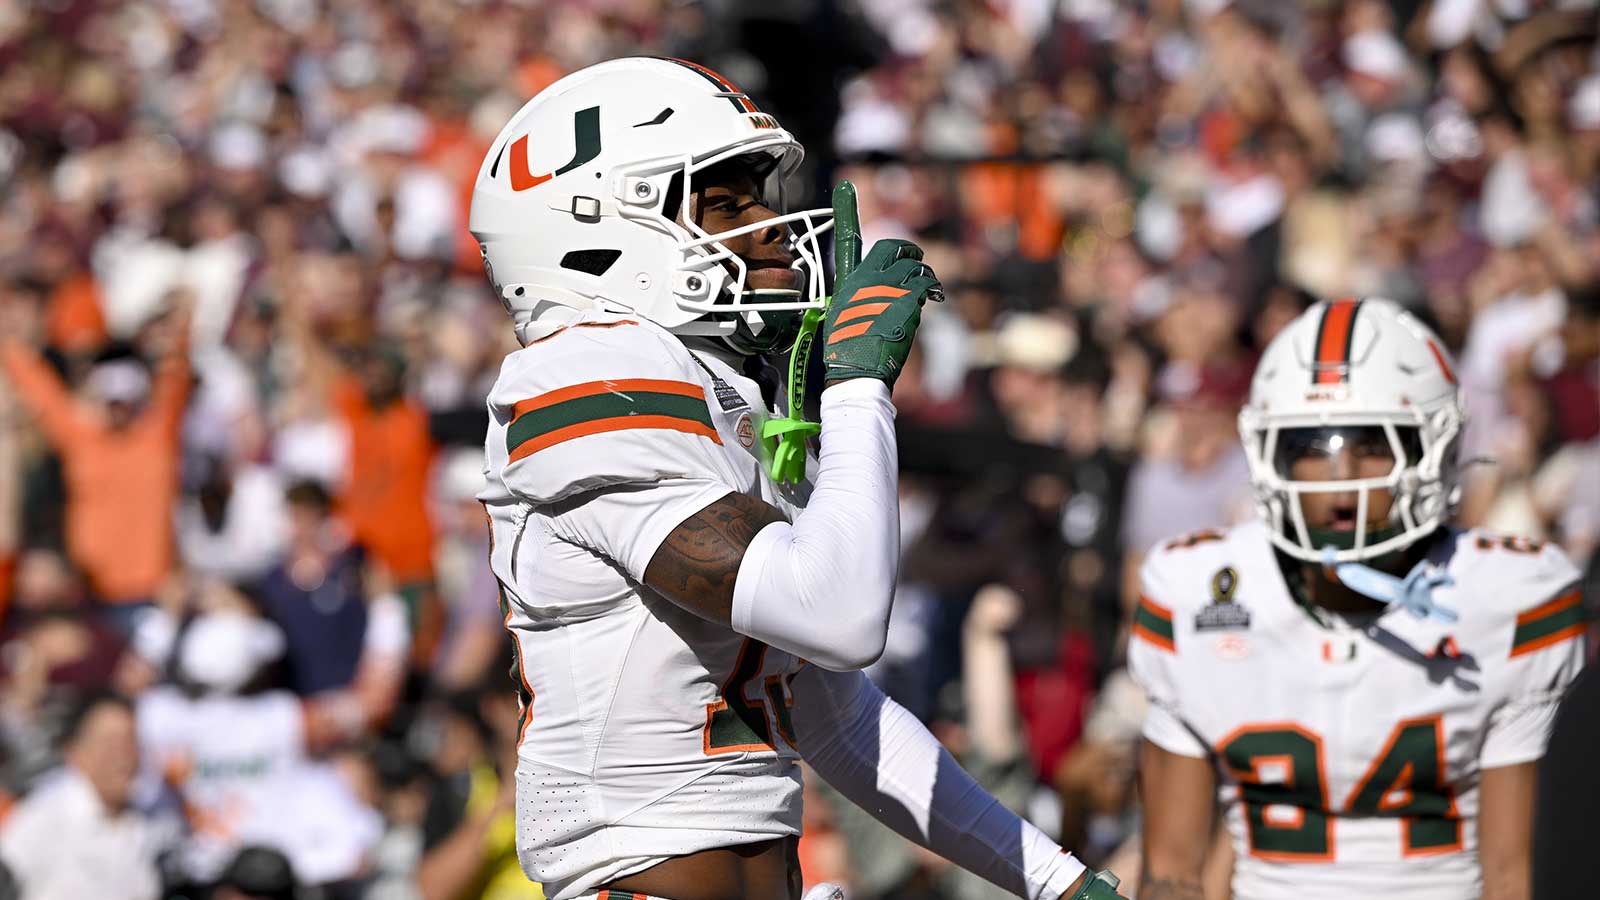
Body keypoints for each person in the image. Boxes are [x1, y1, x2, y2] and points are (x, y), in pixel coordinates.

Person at [470, 58, 1123, 900]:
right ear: (601, 230)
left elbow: (836, 716)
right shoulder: (585, 371)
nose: (772, 225)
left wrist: (1056, 882)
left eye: (762, 198)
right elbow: (839, 613)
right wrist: (855, 390)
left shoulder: (721, 394)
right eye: (726, 203)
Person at [1130, 298, 1584, 900]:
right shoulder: (1195, 593)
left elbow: (1515, 878)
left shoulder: (1509, 598)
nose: (1343, 482)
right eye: (1310, 447)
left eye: (1374, 444)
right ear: (1268, 455)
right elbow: (1172, 876)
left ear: (1434, 450)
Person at [0, 692, 164, 900]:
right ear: (74, 750)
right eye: (111, 743)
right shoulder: (44, 816)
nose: (124, 755)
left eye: (130, 741)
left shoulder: (144, 823)